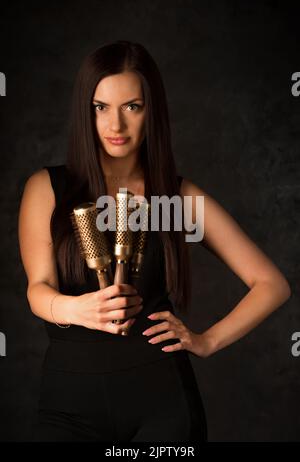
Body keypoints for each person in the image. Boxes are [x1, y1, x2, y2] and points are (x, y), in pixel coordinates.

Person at [18, 40, 291, 442]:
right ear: (85, 111)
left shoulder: (178, 198)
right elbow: (37, 290)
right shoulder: (47, 189)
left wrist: (207, 340)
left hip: (163, 406)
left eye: (132, 106)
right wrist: (80, 309)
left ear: (152, 111)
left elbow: (272, 285)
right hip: (68, 407)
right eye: (101, 107)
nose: (116, 125)